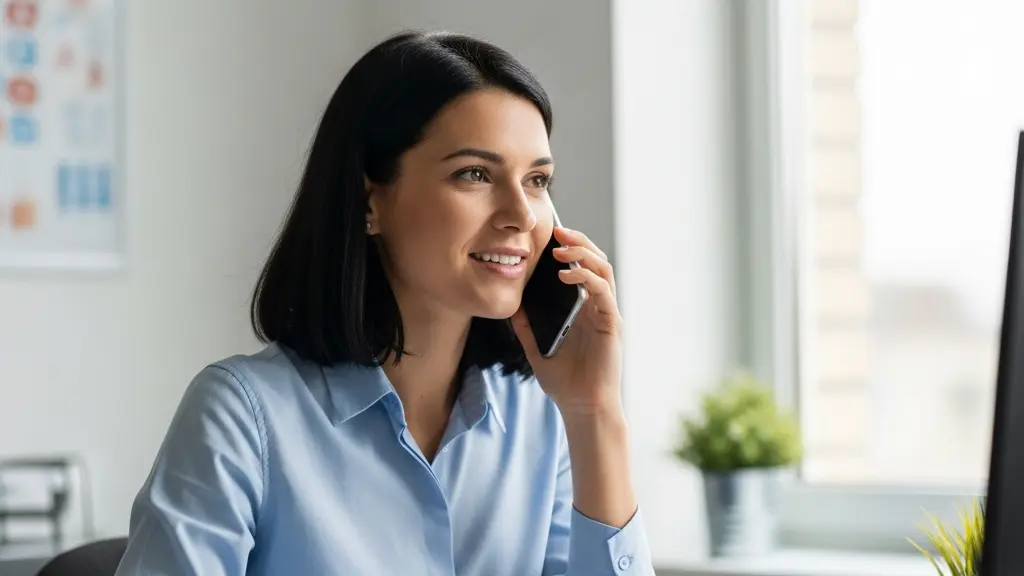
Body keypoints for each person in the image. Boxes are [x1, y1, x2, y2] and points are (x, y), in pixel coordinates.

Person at [115, 31, 654, 576]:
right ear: (369, 201)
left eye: (537, 180)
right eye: (474, 174)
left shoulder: (540, 419)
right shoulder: (242, 418)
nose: (521, 215)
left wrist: (596, 414)